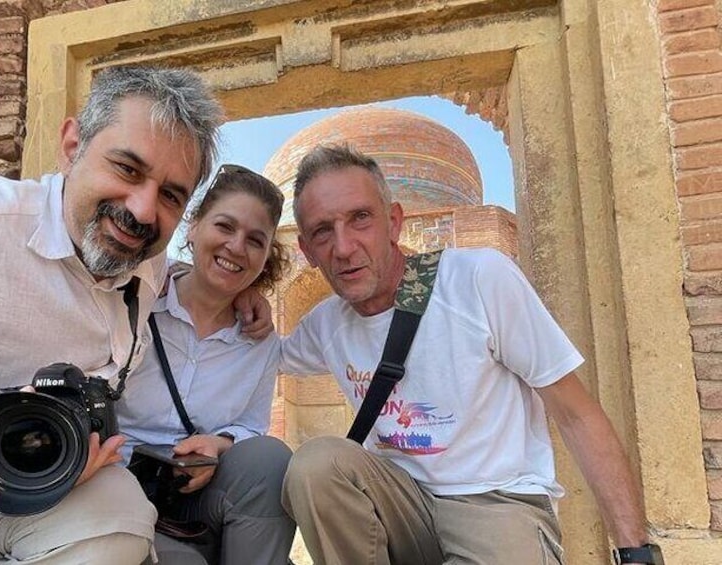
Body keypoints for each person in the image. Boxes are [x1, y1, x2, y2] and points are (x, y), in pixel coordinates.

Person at [0, 65, 267, 564]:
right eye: (127, 168)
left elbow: (187, 269)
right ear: (71, 145)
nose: (144, 210)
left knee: (120, 515)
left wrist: (239, 295)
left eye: (171, 195)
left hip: (21, 499)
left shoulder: (146, 264)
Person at [279, 145, 661, 565]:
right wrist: (233, 294)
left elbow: (575, 414)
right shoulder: (325, 323)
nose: (344, 246)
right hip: (404, 505)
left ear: (393, 222)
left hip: (495, 503)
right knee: (316, 465)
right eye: (322, 231)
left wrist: (636, 552)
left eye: (360, 219)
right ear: (307, 252)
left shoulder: (478, 279)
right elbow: (247, 355)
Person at [118, 164, 295, 565]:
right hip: (116, 487)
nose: (236, 247)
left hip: (196, 493)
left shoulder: (259, 342)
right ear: (193, 226)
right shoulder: (138, 302)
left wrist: (220, 443)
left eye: (255, 240)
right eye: (224, 226)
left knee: (271, 459)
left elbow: (252, 425)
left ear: (267, 255)